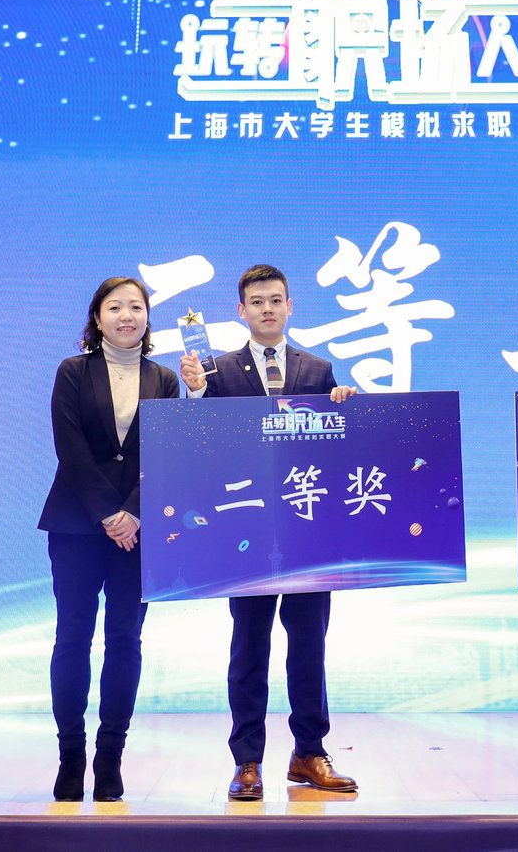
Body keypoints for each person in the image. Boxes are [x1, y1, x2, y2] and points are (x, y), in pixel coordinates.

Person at [179, 263, 359, 801]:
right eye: (256, 301)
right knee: (249, 649)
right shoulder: (215, 371)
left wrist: (345, 407)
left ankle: (309, 753)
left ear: (289, 306)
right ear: (241, 311)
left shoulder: (319, 369)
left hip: (307, 533)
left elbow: (335, 448)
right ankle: (247, 761)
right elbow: (199, 438)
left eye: (275, 300)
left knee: (309, 647)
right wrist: (195, 394)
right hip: (247, 532)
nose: (267, 309)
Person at [39, 276, 180, 802]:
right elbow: (69, 448)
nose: (127, 316)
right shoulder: (72, 371)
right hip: (76, 525)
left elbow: (167, 452)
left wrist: (134, 514)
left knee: (125, 640)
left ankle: (110, 758)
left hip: (139, 532)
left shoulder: (164, 378)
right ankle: (71, 756)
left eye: (136, 307)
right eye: (115, 307)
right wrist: (108, 514)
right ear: (97, 318)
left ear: (147, 318)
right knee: (72, 637)